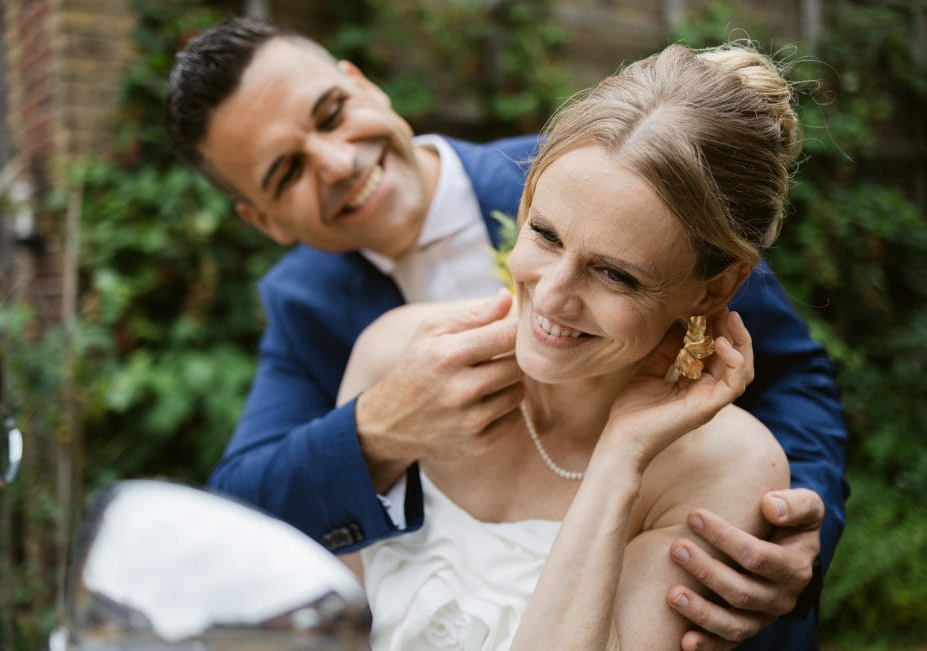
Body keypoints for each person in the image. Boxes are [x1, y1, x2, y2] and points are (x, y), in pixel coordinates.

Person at [165, 17, 847, 648]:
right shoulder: (311, 309)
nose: (338, 163)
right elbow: (242, 513)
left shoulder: (623, 166)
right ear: (264, 221)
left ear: (361, 82)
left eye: (331, 114)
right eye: (287, 171)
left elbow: (790, 375)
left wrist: (773, 531)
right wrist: (376, 431)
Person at [336, 42, 806, 649]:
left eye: (615, 274)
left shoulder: (725, 467)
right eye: (546, 234)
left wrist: (620, 459)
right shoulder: (393, 353)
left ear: (714, 287)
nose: (553, 296)